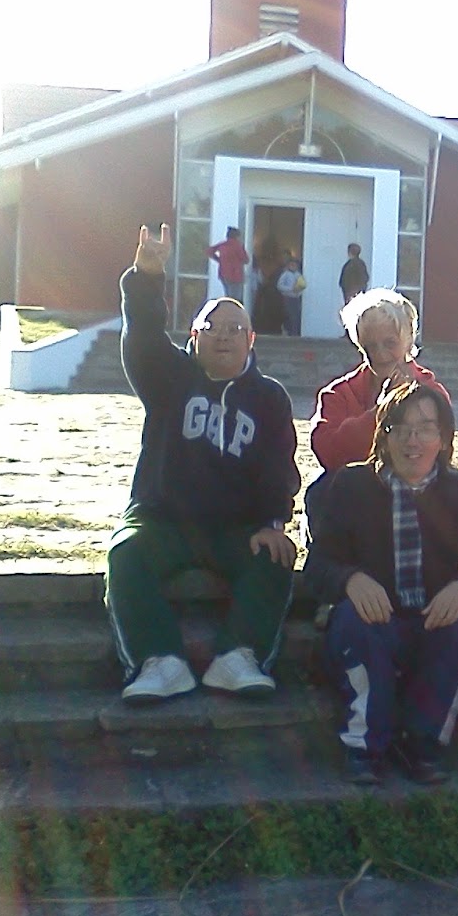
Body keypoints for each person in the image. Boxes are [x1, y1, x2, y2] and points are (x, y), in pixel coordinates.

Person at [106, 224, 300, 703]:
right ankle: (160, 662)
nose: (224, 337)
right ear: (194, 336)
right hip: (163, 518)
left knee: (275, 558)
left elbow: (278, 468)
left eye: (236, 330)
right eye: (212, 328)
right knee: (126, 553)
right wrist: (146, 278)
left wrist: (272, 522)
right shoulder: (169, 377)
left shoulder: (269, 398)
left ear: (251, 339)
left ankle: (238, 658)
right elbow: (143, 336)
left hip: (234, 528)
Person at [306, 382, 458, 785]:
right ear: (384, 435)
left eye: (426, 428)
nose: (413, 440)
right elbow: (318, 566)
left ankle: (422, 744)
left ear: (443, 438)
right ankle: (365, 746)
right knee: (355, 622)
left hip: (432, 620)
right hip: (374, 622)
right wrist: (350, 579)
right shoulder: (349, 487)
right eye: (401, 428)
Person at [310, 289, 449, 474]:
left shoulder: (433, 393)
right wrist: (380, 411)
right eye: (370, 346)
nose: (380, 355)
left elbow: (437, 456)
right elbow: (329, 454)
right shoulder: (337, 394)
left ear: (409, 340)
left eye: (390, 343)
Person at [207, 226, 249, 303]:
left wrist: (219, 260)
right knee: (235, 299)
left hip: (223, 274)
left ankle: (228, 308)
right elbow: (246, 260)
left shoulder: (223, 245)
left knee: (228, 296)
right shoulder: (238, 245)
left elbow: (209, 251)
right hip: (236, 275)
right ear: (237, 236)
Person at [275, 255, 305, 337]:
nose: (293, 266)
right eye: (291, 265)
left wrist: (299, 291)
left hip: (296, 298)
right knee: (289, 314)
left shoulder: (298, 275)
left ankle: (294, 332)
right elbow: (279, 286)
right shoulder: (285, 274)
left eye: (295, 265)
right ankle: (287, 330)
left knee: (296, 315)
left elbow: (302, 285)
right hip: (288, 298)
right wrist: (290, 289)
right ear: (288, 265)